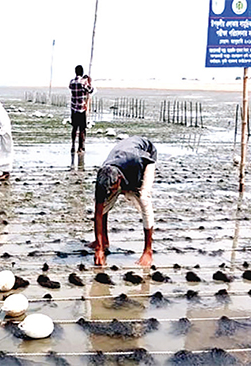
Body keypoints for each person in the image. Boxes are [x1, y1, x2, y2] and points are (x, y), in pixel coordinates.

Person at [91, 136, 157, 267]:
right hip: (121, 162)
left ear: (119, 179)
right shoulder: (103, 176)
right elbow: (98, 213)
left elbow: (144, 164)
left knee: (143, 199)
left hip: (145, 158)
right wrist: (99, 249)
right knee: (104, 202)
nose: (110, 191)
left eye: (112, 188)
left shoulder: (134, 162)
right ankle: (103, 241)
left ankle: (148, 251)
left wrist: (128, 190)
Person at [69, 65, 94, 154]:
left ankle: (72, 145)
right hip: (81, 109)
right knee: (82, 129)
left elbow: (71, 87)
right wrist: (89, 81)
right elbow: (90, 90)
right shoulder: (84, 83)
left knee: (74, 128)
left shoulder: (72, 82)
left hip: (73, 108)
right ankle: (80, 147)